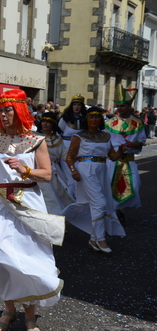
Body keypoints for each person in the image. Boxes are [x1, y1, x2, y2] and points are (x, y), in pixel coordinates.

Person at [0, 89, 64, 331]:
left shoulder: (36, 140)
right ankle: (9, 309)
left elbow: (47, 174)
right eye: (1, 110)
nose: (4, 114)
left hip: (29, 201)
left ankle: (29, 314)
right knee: (3, 258)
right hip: (0, 204)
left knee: (28, 258)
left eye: (8, 110)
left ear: (19, 111)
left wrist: (24, 170)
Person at [61, 106, 126, 253]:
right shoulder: (79, 136)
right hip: (86, 170)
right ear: (86, 119)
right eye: (91, 116)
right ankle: (100, 239)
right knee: (100, 203)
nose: (94, 119)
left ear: (101, 119)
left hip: (102, 170)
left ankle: (92, 238)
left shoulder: (105, 136)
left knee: (95, 205)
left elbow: (112, 156)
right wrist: (73, 170)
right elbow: (69, 156)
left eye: (97, 116)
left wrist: (121, 151)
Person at [105, 85, 146, 222]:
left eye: (122, 106)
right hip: (113, 160)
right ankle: (115, 211)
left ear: (129, 107)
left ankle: (120, 209)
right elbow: (105, 140)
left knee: (134, 185)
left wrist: (136, 144)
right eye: (118, 106)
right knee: (111, 185)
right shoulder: (109, 123)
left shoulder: (138, 123)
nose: (119, 108)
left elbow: (142, 140)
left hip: (129, 160)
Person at [36, 112, 73, 214]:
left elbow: (65, 155)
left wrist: (74, 168)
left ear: (53, 124)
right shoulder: (34, 137)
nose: (45, 124)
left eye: (48, 122)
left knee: (61, 195)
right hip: (37, 170)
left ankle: (58, 222)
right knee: (47, 197)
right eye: (43, 121)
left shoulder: (57, 139)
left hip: (54, 171)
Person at [58, 94, 87, 197]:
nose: (76, 107)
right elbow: (59, 134)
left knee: (80, 175)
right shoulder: (65, 119)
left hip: (81, 150)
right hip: (66, 149)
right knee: (71, 176)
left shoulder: (85, 119)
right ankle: (71, 199)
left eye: (79, 104)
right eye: (74, 104)